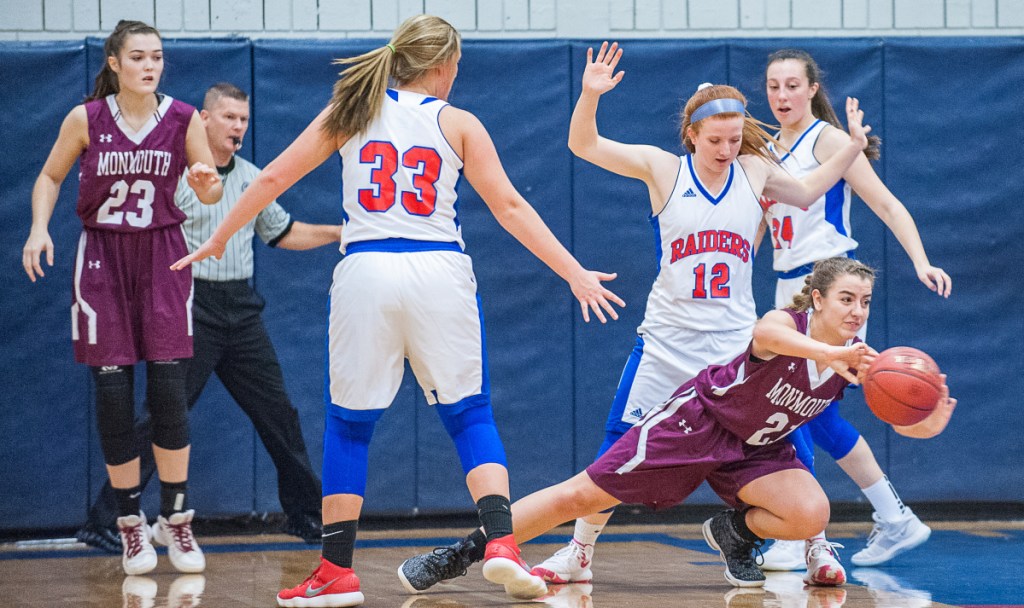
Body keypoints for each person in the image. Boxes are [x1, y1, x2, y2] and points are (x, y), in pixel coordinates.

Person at [171, 15, 625, 608]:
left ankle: (336, 572)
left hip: (366, 272)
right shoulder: (459, 122)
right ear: (441, 66)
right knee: (470, 415)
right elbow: (510, 207)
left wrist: (219, 237)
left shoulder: (352, 109)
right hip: (439, 270)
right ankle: (503, 547)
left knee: (349, 425)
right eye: (456, 66)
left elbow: (275, 175)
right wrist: (573, 271)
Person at [397, 41, 872, 594]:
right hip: (669, 347)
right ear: (691, 134)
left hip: (735, 352)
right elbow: (583, 143)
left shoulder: (755, 170)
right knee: (608, 464)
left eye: (734, 138)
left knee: (791, 436)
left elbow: (812, 187)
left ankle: (785, 543)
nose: (725, 148)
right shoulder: (662, 168)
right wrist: (589, 96)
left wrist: (853, 147)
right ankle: (568, 551)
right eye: (714, 140)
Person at [407, 256, 956, 599]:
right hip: (697, 425)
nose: (857, 311)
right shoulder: (788, 327)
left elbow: (901, 420)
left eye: (864, 301)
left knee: (811, 512)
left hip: (757, 452)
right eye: (846, 299)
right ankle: (464, 551)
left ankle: (733, 533)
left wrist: (927, 422)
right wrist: (831, 351)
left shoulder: (864, 362)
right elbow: (768, 335)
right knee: (581, 496)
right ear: (817, 300)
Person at [74, 82, 339, 555]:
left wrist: (340, 231)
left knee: (279, 413)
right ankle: (107, 521)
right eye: (229, 117)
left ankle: (305, 514)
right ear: (204, 119)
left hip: (241, 309)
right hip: (189, 303)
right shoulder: (175, 174)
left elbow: (283, 232)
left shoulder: (253, 176)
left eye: (243, 119)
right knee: (163, 418)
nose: (238, 126)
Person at [21, 20, 222, 576]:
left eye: (157, 57)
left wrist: (207, 182)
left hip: (161, 257)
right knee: (112, 399)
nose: (150, 66)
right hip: (103, 260)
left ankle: (176, 518)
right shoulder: (85, 118)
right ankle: (131, 525)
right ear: (114, 62)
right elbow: (49, 176)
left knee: (167, 396)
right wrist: (40, 228)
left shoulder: (182, 117)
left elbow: (210, 184)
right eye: (138, 57)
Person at [756, 48, 953, 577]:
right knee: (816, 414)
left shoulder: (830, 139)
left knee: (792, 406)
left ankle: (801, 536)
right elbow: (759, 229)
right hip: (789, 284)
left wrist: (921, 259)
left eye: (792, 85)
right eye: (773, 86)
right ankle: (894, 518)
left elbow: (886, 203)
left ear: (811, 88)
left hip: (826, 282)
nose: (782, 96)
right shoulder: (769, 148)